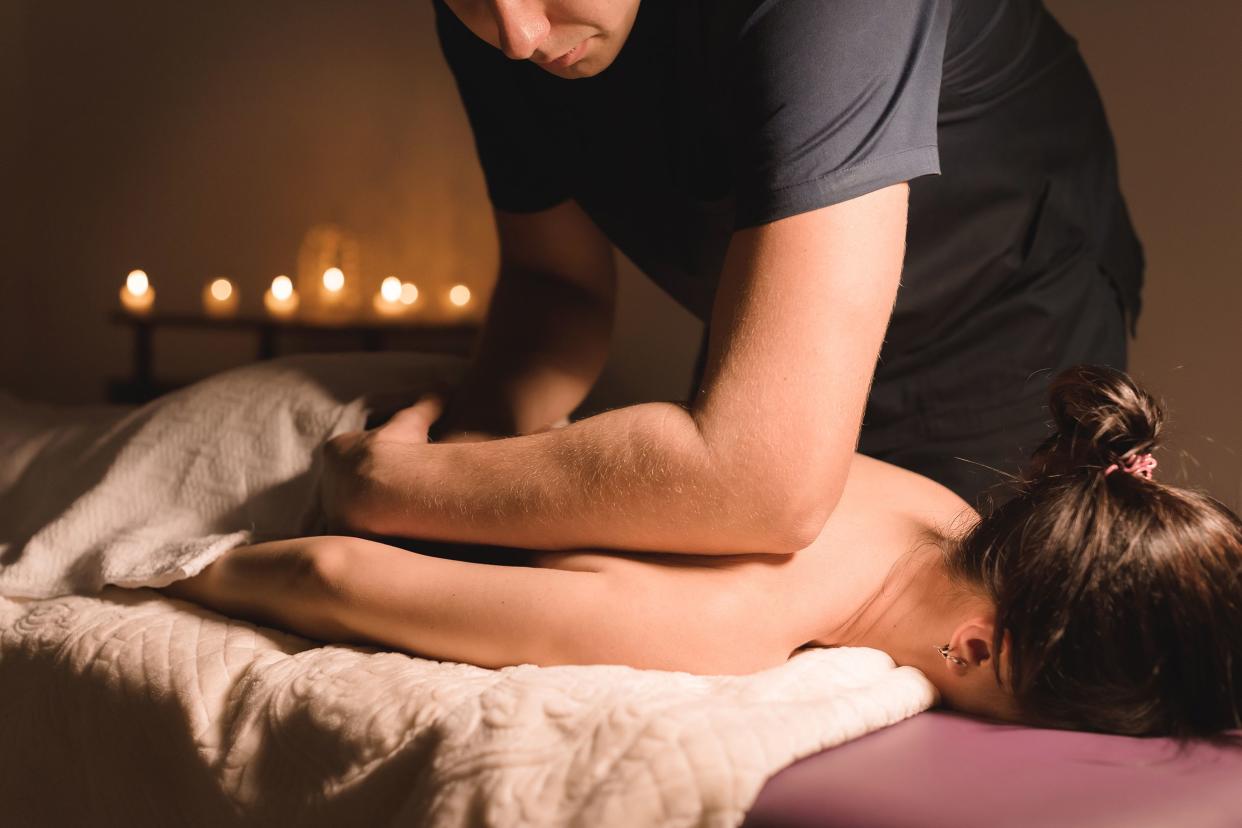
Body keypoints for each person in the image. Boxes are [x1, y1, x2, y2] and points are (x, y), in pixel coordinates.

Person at [319, 0, 1145, 561]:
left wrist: (401, 488)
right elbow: (554, 286)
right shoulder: (501, 21)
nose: (516, 36)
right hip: (783, 319)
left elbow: (764, 484)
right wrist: (471, 459)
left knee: (970, 628)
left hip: (1007, 315)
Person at [163, 366, 1242, 739]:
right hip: (302, 457)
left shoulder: (933, 508)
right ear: (978, 647)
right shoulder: (726, 628)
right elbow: (331, 572)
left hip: (451, 440)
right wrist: (175, 575)